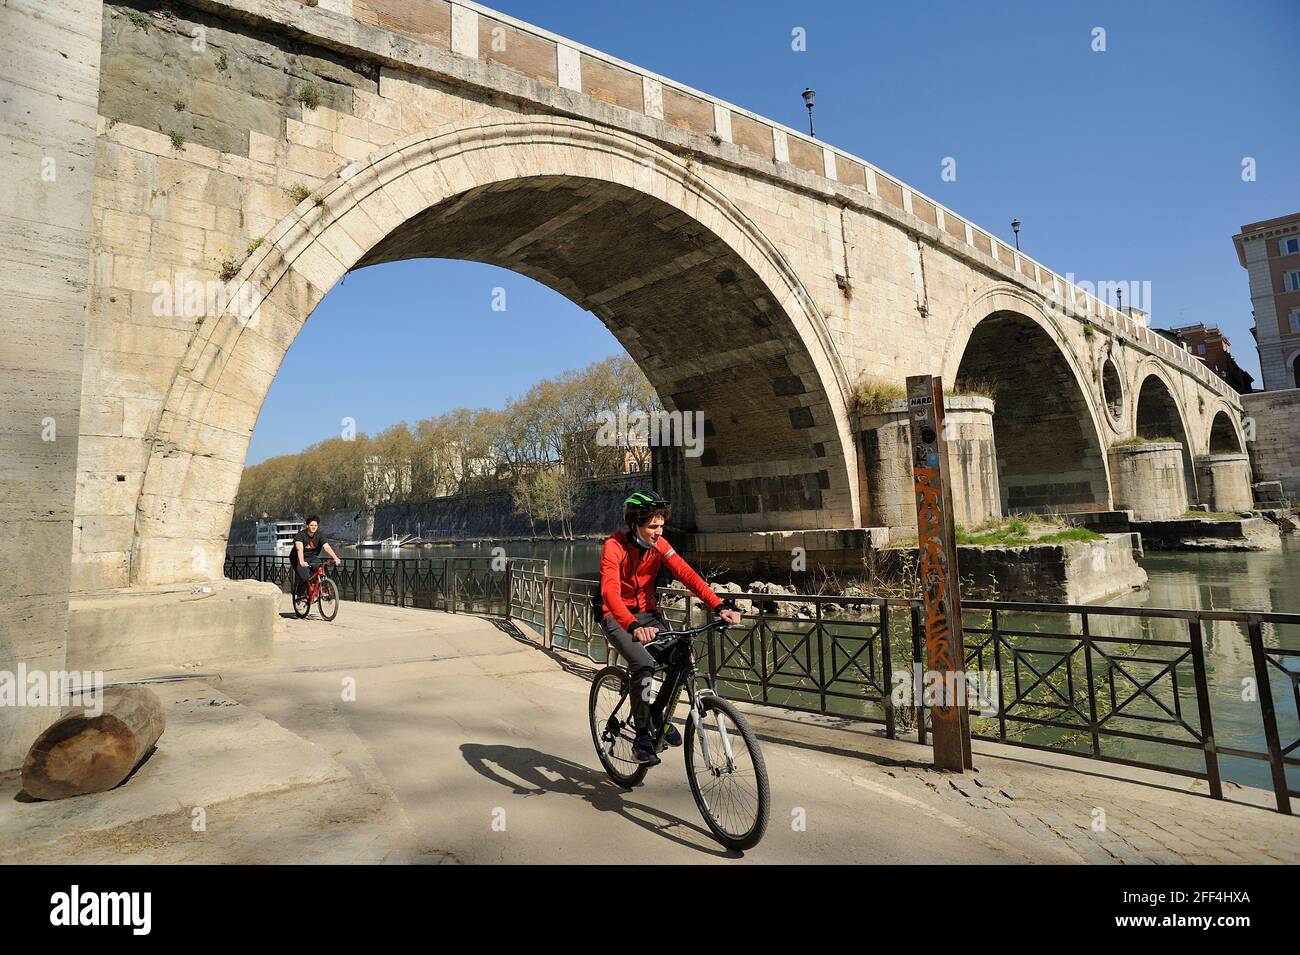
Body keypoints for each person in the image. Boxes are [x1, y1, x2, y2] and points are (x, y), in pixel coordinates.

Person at [599, 490, 741, 766]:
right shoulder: (613, 547)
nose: (658, 531)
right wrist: (632, 625)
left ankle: (655, 715)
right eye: (653, 526)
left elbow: (686, 574)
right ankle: (641, 738)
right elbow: (611, 593)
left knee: (681, 658)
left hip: (648, 614)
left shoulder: (660, 546)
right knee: (643, 663)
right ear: (634, 524)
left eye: (661, 525)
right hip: (617, 617)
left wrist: (719, 606)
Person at [291, 516, 341, 599]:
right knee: (304, 577)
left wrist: (335, 558)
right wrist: (302, 562)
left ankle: (323, 590)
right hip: (298, 558)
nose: (314, 527)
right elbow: (299, 549)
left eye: (315, 525)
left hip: (312, 557)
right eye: (311, 525)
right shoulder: (300, 535)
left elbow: (327, 547)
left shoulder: (320, 535)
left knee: (322, 570)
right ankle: (300, 593)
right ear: (307, 526)